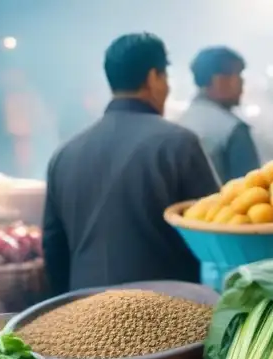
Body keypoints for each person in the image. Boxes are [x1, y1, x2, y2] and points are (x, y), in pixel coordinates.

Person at [43, 33, 219, 294]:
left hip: (81, 316)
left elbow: (53, 249)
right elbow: (213, 233)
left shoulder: (64, 154)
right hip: (170, 315)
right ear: (153, 78)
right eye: (165, 77)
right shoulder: (179, 144)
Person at [177, 46, 260, 182]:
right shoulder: (232, 130)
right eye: (237, 75)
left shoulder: (180, 123)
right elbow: (252, 192)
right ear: (219, 80)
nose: (242, 82)